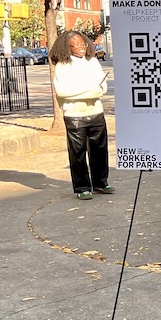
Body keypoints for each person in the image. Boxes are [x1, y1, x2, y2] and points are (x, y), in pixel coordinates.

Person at [50, 30, 112, 200]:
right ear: (67, 48)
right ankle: (82, 187)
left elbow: (102, 88)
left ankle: (101, 182)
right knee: (78, 153)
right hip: (74, 114)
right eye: (74, 45)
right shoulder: (63, 66)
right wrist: (91, 90)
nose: (80, 47)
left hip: (96, 112)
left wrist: (83, 91)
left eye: (82, 43)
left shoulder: (92, 62)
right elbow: (62, 92)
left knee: (100, 150)